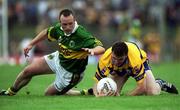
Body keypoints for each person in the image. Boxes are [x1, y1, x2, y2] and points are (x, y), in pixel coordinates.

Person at [0, 9, 105, 96]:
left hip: (70, 73)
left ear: (74, 21)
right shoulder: (58, 29)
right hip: (58, 58)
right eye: (64, 24)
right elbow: (46, 32)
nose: (68, 27)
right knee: (28, 71)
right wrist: (31, 44)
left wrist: (92, 51)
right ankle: (10, 92)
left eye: (70, 24)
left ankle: (84, 92)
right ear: (60, 22)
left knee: (48, 94)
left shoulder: (81, 35)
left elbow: (101, 48)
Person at [83, 41, 178, 97]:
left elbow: (142, 87)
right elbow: (97, 82)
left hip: (141, 63)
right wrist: (97, 95)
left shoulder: (135, 59)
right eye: (114, 58)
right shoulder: (105, 59)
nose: (116, 62)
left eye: (120, 59)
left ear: (126, 56)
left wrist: (127, 96)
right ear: (111, 53)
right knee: (112, 93)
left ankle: (160, 83)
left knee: (152, 92)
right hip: (118, 71)